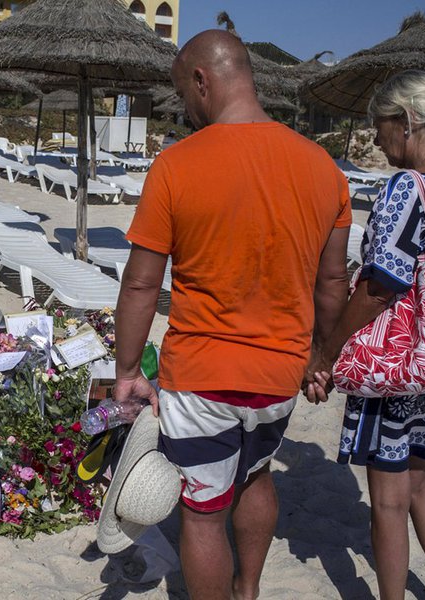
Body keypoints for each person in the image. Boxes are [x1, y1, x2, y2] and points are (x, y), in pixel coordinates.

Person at [112, 29, 352, 600]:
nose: (188, 110)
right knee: (257, 474)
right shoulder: (322, 168)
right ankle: (248, 590)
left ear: (203, 80)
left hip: (203, 375)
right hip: (279, 376)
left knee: (202, 512)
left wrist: (126, 371)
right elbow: (333, 283)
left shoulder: (176, 165)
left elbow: (142, 283)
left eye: (185, 95)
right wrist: (321, 357)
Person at [304, 70, 425, 600]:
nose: (376, 136)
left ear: (407, 122)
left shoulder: (407, 189)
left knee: (387, 498)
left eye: (379, 124)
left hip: (398, 361)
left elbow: (378, 286)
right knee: (418, 480)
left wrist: (327, 350)